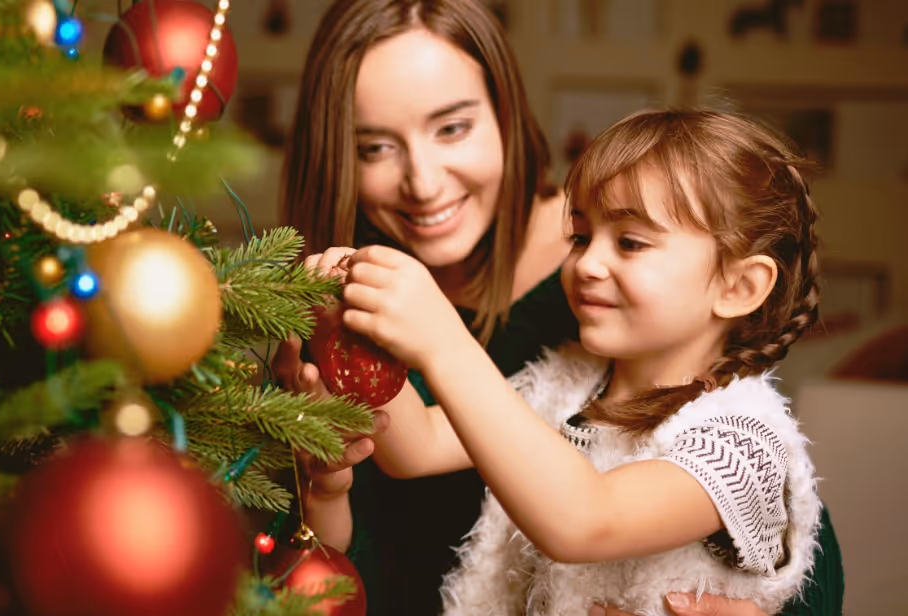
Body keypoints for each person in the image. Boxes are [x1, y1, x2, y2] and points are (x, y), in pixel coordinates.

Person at [272, 1, 844, 614]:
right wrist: (347, 329)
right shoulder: (566, 382)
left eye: (628, 242)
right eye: (579, 237)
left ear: (738, 287)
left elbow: (581, 520)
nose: (588, 263)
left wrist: (441, 340)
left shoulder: (742, 437)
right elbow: (413, 448)